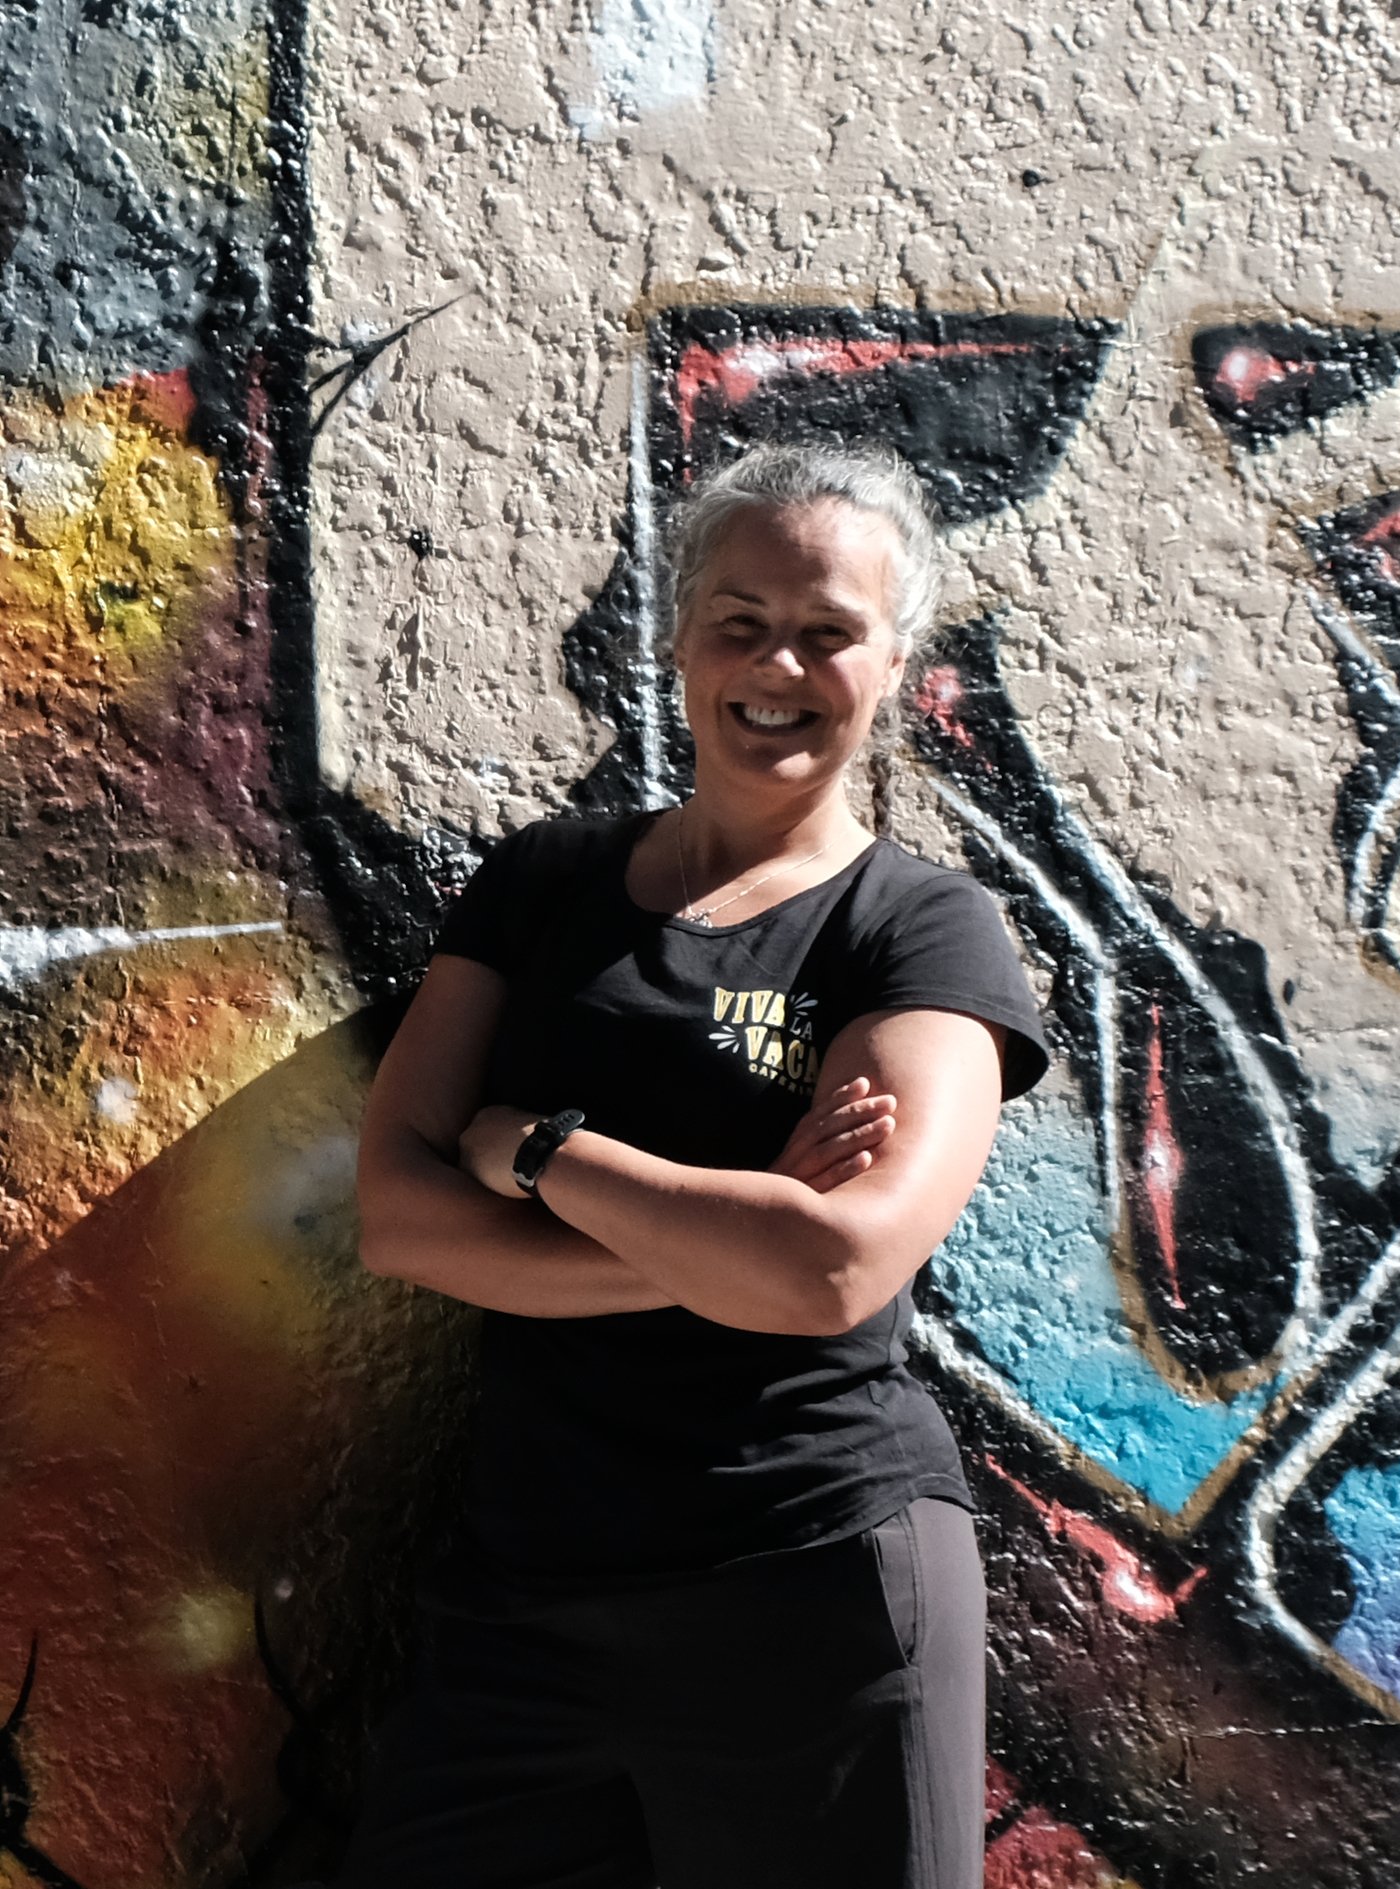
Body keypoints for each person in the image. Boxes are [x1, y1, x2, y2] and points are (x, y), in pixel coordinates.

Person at [345, 442, 1049, 1889]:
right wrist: (714, 1247)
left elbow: (836, 1264)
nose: (775, 661)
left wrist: (542, 1149)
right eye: (738, 619)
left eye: (826, 628)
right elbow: (400, 1216)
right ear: (675, 638)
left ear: (896, 659)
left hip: (816, 1574)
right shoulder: (544, 884)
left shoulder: (921, 929)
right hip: (523, 1594)